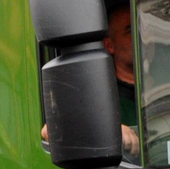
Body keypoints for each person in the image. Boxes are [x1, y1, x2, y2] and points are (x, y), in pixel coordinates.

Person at [40, 0, 139, 160]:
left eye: (143, 27)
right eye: (130, 30)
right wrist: (110, 131)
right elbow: (49, 131)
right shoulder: (97, 95)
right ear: (109, 45)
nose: (141, 35)